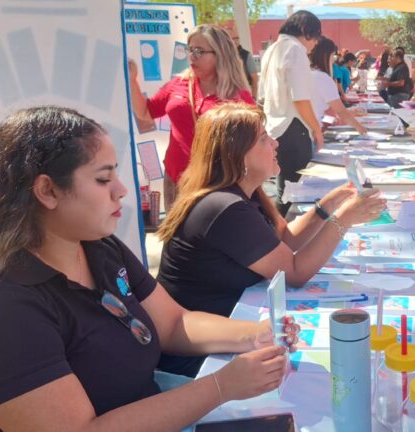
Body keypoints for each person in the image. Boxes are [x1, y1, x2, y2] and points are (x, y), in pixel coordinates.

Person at [0, 106, 301, 431]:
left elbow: (174, 324)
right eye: (102, 179)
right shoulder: (5, 304)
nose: (120, 189)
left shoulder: (99, 248)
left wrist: (257, 334)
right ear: (48, 191)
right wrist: (221, 387)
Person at [156, 102, 386, 377]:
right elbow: (295, 272)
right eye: (264, 139)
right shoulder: (225, 207)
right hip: (200, 361)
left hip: (231, 332)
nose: (275, 143)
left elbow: (285, 239)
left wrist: (327, 206)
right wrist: (343, 220)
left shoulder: (242, 195)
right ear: (239, 156)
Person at [129, 24, 255, 212]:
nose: (192, 56)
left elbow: (252, 142)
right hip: (177, 179)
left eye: (199, 51)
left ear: (220, 54)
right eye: (190, 50)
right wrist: (132, 79)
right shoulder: (178, 84)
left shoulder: (237, 95)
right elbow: (145, 113)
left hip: (216, 184)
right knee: (177, 239)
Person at [259, 10, 324, 215]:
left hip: (276, 127)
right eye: (315, 37)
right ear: (306, 31)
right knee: (295, 195)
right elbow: (300, 99)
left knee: (285, 192)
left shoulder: (273, 49)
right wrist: (317, 129)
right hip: (294, 129)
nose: (315, 43)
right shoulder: (295, 50)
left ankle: (277, 236)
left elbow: (262, 95)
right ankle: (281, 239)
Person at [308, 37, 368, 135]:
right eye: (332, 55)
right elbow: (340, 111)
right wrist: (361, 129)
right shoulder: (323, 78)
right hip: (313, 132)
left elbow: (328, 111)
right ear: (325, 56)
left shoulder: (306, 73)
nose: (333, 59)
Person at [225, 25, 259, 100]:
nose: (235, 41)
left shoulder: (246, 55)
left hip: (244, 96)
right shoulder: (221, 56)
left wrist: (253, 97)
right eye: (232, 38)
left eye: (237, 38)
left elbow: (255, 79)